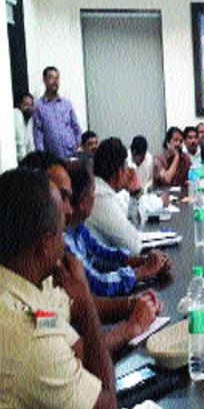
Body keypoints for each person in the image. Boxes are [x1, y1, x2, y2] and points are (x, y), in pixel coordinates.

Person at [0, 168, 117, 409]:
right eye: (61, 232)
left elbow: (71, 343)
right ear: (44, 244)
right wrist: (85, 303)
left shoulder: (21, 290)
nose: (64, 242)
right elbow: (105, 408)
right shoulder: (29, 335)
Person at [18, 154, 165, 355]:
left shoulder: (44, 281)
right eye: (61, 197)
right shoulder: (22, 312)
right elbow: (76, 355)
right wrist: (130, 328)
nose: (69, 210)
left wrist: (131, 305)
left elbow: (68, 318)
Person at [64, 161, 171, 296]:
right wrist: (143, 271)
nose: (94, 197)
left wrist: (147, 261)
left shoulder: (78, 229)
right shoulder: (65, 241)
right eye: (92, 191)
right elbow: (98, 284)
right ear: (82, 202)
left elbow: (104, 254)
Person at [88, 138, 144, 254]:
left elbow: (134, 227)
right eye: (126, 166)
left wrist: (134, 195)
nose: (128, 171)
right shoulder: (100, 197)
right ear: (119, 172)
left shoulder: (102, 191)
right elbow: (134, 246)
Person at [33, 66, 82, 159]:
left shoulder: (66, 104)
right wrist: (42, 157)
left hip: (72, 155)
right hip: (53, 159)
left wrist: (77, 143)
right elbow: (38, 135)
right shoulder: (39, 106)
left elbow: (75, 126)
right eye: (51, 78)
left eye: (57, 78)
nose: (55, 81)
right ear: (44, 80)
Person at [14, 92, 35, 161]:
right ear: (20, 105)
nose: (30, 108)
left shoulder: (29, 119)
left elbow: (30, 143)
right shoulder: (17, 114)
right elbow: (20, 144)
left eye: (31, 105)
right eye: (26, 104)